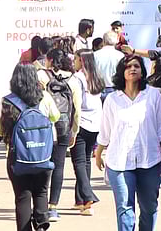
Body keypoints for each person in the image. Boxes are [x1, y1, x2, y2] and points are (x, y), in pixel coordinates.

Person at [95, 55, 161, 231]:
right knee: (125, 209)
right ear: (122, 72)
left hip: (150, 161)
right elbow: (105, 131)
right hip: (119, 162)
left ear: (142, 71)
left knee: (149, 208)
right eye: (128, 66)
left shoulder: (153, 96)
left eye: (136, 66)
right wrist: (98, 154)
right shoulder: (113, 99)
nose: (132, 69)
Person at [0, 63, 61, 231]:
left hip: (17, 158)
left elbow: (0, 130)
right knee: (41, 191)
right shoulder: (44, 97)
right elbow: (56, 117)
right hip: (43, 154)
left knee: (22, 196)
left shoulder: (8, 100)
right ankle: (42, 225)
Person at [41, 49, 81, 222]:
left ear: (49, 60)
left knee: (42, 165)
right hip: (63, 127)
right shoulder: (73, 80)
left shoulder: (41, 76)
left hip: (44, 127)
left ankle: (40, 204)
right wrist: (74, 130)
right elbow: (77, 109)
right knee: (59, 166)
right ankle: (53, 207)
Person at [71, 49, 103, 214]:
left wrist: (72, 127)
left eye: (75, 59)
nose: (73, 61)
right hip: (95, 123)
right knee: (86, 161)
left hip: (82, 123)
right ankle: (81, 200)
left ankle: (88, 195)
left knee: (79, 162)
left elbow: (75, 103)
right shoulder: (96, 76)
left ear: (81, 61)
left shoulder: (77, 78)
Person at [95, 31, 125, 97]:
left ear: (103, 41)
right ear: (117, 41)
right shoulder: (120, 56)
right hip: (114, 89)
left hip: (97, 90)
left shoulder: (95, 55)